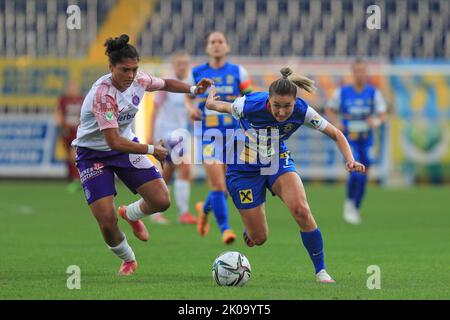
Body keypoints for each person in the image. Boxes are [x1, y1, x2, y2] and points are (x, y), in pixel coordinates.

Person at [204, 67, 366, 283]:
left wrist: (350, 159)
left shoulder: (302, 111)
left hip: (276, 160)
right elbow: (218, 106)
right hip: (242, 168)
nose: (281, 112)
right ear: (268, 99)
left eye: (287, 106)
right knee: (259, 238)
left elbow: (336, 133)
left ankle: (321, 271)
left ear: (295, 101)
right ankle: (251, 227)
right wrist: (210, 100)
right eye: (276, 106)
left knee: (301, 210)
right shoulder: (248, 104)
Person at [71, 34, 212, 276]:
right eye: (125, 70)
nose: (130, 75)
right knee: (106, 220)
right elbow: (113, 141)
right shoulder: (103, 96)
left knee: (161, 200)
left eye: (134, 69)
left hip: (125, 146)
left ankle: (131, 213)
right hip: (94, 154)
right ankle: (128, 259)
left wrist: (193, 89)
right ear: (111, 67)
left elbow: (166, 84)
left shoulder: (138, 80)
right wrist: (151, 149)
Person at [186, 31, 253, 244]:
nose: (216, 45)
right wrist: (191, 109)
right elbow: (187, 97)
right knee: (218, 186)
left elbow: (249, 97)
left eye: (220, 42)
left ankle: (204, 210)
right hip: (208, 136)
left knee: (225, 188)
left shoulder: (238, 72)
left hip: (234, 136)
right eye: (212, 42)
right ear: (207, 48)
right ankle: (225, 229)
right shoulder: (197, 73)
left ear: (227, 46)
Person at [326, 58, 387, 224]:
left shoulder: (373, 93)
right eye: (357, 70)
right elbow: (330, 108)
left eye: (362, 70)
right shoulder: (343, 92)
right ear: (353, 73)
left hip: (367, 139)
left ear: (366, 73)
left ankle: (355, 207)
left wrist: (377, 121)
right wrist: (336, 122)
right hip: (349, 138)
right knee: (355, 171)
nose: (360, 73)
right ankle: (349, 204)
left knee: (365, 175)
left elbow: (382, 113)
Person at [148, 51, 197, 225]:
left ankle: (154, 209)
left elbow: (189, 107)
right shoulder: (166, 84)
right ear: (174, 65)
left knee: (168, 171)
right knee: (184, 167)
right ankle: (183, 212)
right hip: (166, 132)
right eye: (179, 63)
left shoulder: (191, 84)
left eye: (185, 63)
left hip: (180, 132)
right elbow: (154, 109)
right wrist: (150, 134)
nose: (182, 66)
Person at [55, 80, 84, 193]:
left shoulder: (82, 100)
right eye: (71, 87)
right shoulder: (64, 100)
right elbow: (59, 113)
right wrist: (61, 126)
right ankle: (71, 178)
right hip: (67, 130)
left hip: (78, 131)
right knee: (68, 157)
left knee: (73, 155)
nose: (73, 89)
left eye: (75, 87)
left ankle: (77, 180)